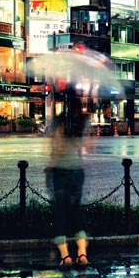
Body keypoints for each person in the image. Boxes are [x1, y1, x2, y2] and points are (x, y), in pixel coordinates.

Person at [46, 110, 89, 268]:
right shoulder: (77, 130)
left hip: (61, 171)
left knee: (61, 213)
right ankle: (82, 253)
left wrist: (50, 165)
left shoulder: (58, 129)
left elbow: (58, 151)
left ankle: (65, 257)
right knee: (75, 212)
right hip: (77, 171)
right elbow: (79, 151)